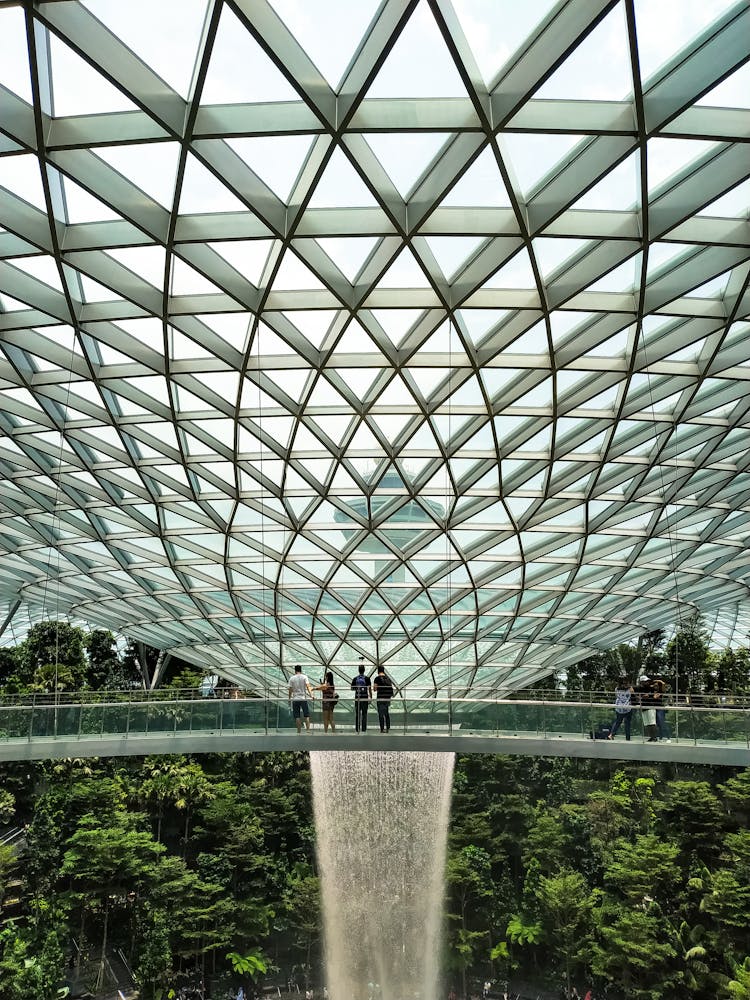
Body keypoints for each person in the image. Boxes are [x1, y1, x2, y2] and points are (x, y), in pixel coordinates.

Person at [288, 664, 314, 733]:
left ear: (295, 670)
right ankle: (308, 730)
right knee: (306, 715)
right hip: (303, 698)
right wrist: (311, 695)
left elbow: (290, 689)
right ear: (301, 670)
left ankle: (298, 731)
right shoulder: (304, 677)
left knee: (297, 716)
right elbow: (308, 686)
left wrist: (289, 698)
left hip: (295, 699)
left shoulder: (292, 678)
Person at [373, 665, 395, 733]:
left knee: (380, 714)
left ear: (378, 671)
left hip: (380, 697)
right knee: (386, 713)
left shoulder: (377, 678)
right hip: (387, 698)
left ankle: (382, 729)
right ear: (383, 670)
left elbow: (374, 689)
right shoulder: (388, 678)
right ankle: (388, 728)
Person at [350, 662, 371, 732]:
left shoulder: (355, 678)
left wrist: (357, 688)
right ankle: (364, 729)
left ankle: (357, 728)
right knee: (364, 714)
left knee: (358, 714)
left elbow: (352, 688)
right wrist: (370, 697)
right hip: (365, 698)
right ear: (364, 670)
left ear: (358, 670)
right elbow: (369, 689)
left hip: (357, 698)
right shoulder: (367, 678)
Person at [636, 675, 658, 741]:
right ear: (642, 682)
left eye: (648, 681)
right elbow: (636, 695)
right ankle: (651, 737)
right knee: (647, 724)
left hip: (650, 707)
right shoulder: (639, 689)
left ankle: (655, 737)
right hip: (643, 707)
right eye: (645, 681)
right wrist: (641, 697)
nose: (647, 682)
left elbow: (656, 691)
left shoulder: (651, 688)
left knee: (652, 723)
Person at [653, 676, 671, 742]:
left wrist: (659, 681)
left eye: (657, 686)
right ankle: (660, 737)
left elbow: (663, 684)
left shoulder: (661, 691)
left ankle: (668, 737)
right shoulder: (652, 691)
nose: (655, 686)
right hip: (654, 708)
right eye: (654, 685)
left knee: (662, 722)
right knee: (658, 724)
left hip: (660, 708)